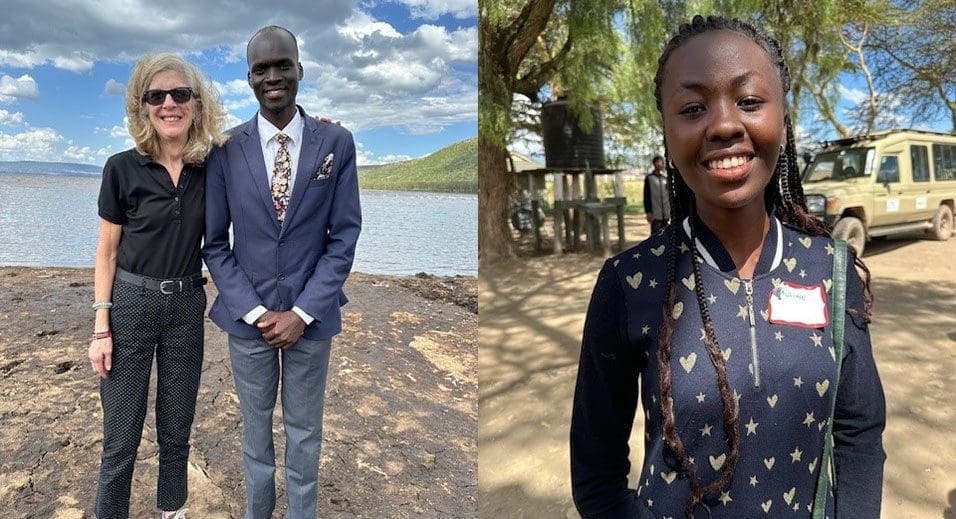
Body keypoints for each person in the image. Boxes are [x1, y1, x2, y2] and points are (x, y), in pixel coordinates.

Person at [570, 15, 885, 518]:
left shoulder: (832, 267)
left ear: (782, 118)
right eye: (693, 108)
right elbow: (596, 473)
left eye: (750, 101)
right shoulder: (630, 283)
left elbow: (859, 433)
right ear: (668, 132)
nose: (723, 125)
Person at [202, 25, 361, 518]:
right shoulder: (225, 149)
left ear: (300, 70)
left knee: (305, 432)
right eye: (261, 69)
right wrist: (253, 312)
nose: (273, 76)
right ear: (249, 77)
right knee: (254, 433)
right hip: (247, 323)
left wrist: (302, 313)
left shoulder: (336, 142)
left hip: (310, 323)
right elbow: (214, 243)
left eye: (282, 65)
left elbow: (344, 238)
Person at [88, 53, 227, 519]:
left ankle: (173, 512)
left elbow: (260, 148)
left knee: (176, 430)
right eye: (156, 96)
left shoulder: (213, 167)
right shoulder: (121, 168)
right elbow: (106, 253)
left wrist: (317, 130)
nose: (169, 103)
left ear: (197, 104)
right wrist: (100, 328)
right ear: (142, 107)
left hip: (187, 307)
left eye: (180, 94)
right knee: (121, 438)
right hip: (129, 306)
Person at [644, 155, 671, 233]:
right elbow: (646, 196)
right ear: (654, 164)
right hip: (655, 214)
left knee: (666, 235)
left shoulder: (665, 178)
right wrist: (648, 211)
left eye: (662, 162)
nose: (660, 164)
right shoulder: (649, 178)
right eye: (658, 162)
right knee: (655, 235)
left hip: (666, 214)